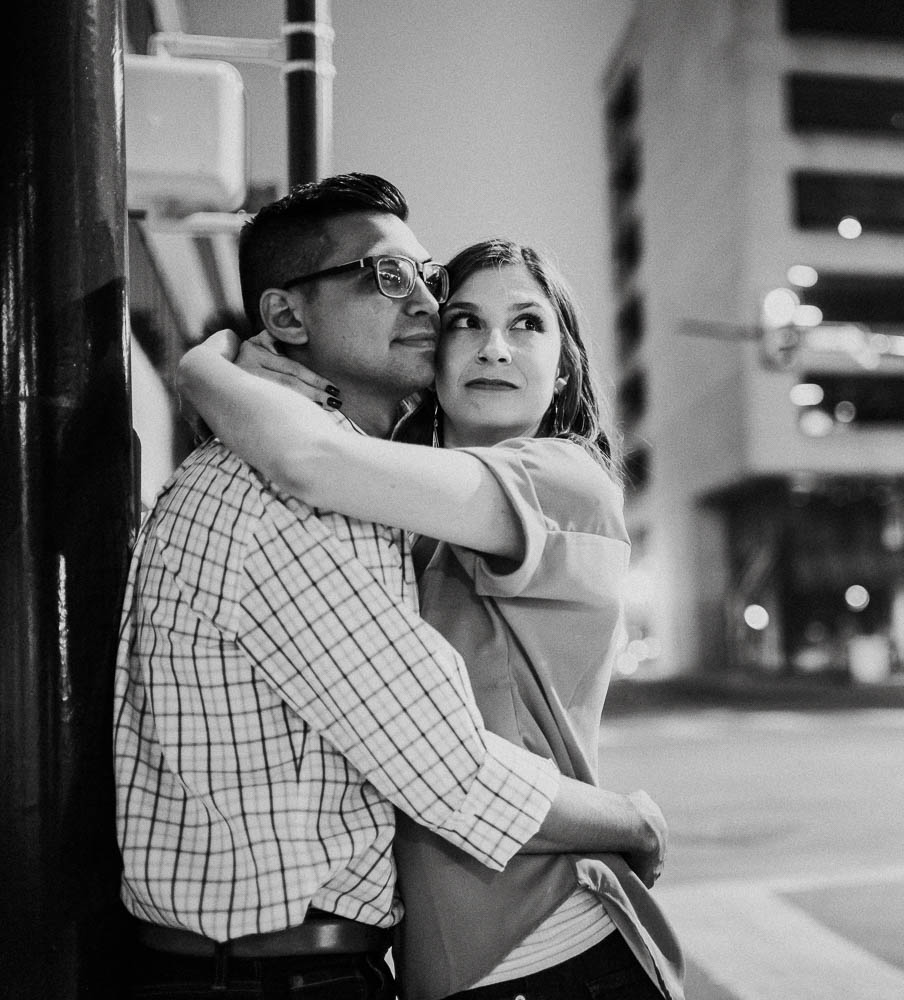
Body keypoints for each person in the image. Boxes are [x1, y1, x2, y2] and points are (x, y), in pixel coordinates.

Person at [115, 174, 668, 1000]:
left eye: (527, 325)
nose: (489, 346)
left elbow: (313, 459)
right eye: (461, 317)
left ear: (565, 370)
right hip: (370, 964)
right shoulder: (364, 507)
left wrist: (213, 365)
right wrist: (236, 369)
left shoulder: (560, 482)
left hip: (540, 939)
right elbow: (312, 460)